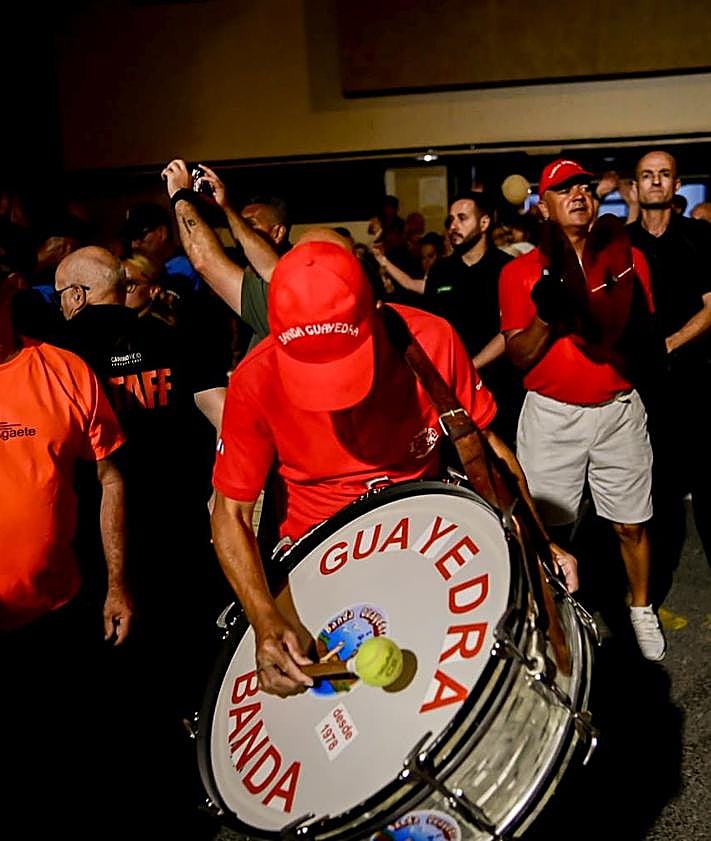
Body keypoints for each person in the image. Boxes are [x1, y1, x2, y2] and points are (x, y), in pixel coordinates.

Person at [209, 230, 578, 698]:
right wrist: (264, 618)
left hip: (421, 533)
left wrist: (540, 544)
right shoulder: (253, 379)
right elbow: (231, 512)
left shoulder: (431, 340)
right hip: (314, 551)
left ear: (377, 310)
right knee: (334, 704)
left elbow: (489, 452)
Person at [499, 157, 667, 661]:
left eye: (586, 188)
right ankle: (554, 615)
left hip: (618, 410)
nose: (579, 194)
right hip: (552, 416)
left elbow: (642, 339)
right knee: (546, 527)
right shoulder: (518, 272)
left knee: (632, 523)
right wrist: (550, 314)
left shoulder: (630, 260)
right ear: (544, 207)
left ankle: (640, 608)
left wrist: (617, 320)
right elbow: (519, 356)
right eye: (564, 189)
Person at [0, 250, 133, 832]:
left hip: (54, 617)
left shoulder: (62, 370)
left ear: (8, 286)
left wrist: (118, 586)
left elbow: (110, 478)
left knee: (63, 773)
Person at [627, 150, 711, 589]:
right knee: (651, 493)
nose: (656, 182)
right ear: (635, 187)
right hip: (641, 388)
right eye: (647, 175)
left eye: (664, 175)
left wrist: (670, 344)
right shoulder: (621, 245)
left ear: (677, 185)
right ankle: (650, 587)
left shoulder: (699, 237)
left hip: (698, 381)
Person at [422, 191, 523, 446]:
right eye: (450, 220)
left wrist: (471, 365)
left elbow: (510, 329)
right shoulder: (440, 272)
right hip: (451, 388)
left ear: (484, 223)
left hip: (498, 388)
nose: (453, 226)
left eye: (462, 218)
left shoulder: (507, 268)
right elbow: (430, 328)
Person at [161, 158, 290, 352]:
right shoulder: (253, 273)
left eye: (251, 225)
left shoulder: (283, 283)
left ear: (278, 233)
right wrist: (226, 207)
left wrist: (181, 197)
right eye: (238, 224)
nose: (239, 235)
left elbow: (206, 259)